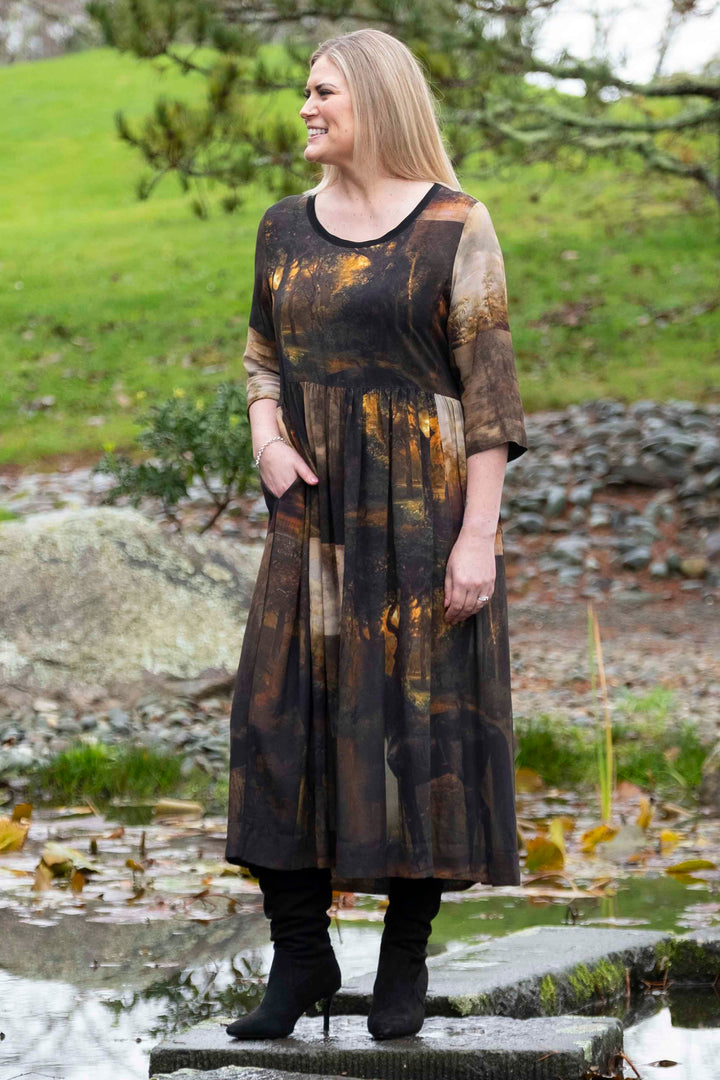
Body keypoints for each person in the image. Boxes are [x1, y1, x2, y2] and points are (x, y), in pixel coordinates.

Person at [224, 27, 529, 1042]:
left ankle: (404, 957)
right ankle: (301, 955)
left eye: (322, 93)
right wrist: (266, 434)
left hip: (417, 519)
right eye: (304, 92)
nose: (306, 108)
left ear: (376, 103)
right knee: (275, 722)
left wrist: (476, 537)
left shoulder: (455, 227)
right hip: (306, 522)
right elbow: (262, 354)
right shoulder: (281, 226)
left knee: (418, 729)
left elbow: (488, 400)